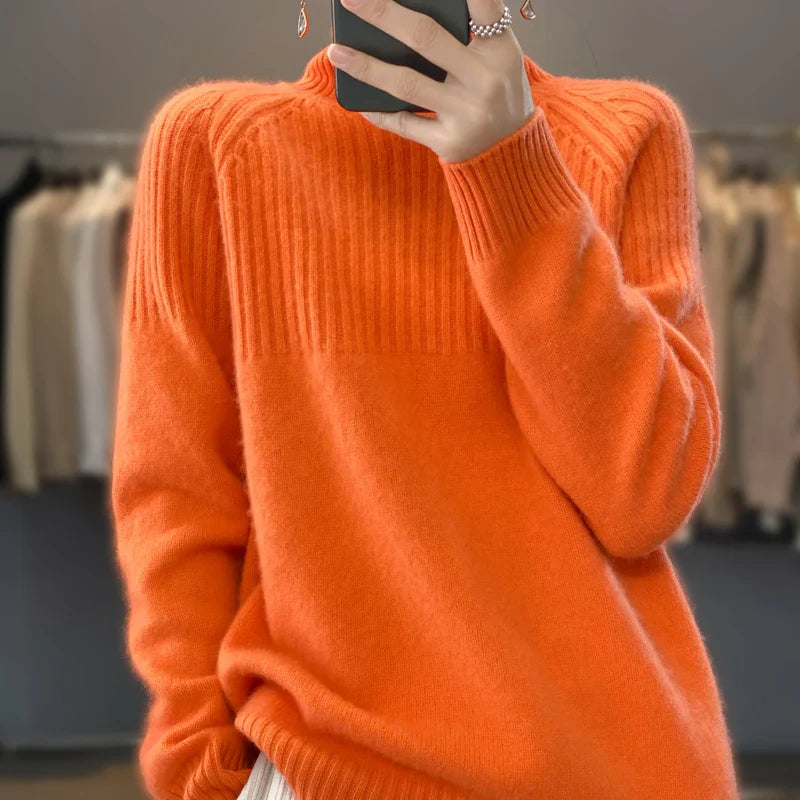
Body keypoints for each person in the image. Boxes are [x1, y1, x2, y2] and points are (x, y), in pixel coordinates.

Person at [109, 0, 740, 798]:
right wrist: (200, 772)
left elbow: (646, 497)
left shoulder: (627, 134)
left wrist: (511, 166)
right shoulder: (215, 146)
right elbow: (176, 501)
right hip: (326, 768)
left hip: (610, 770)